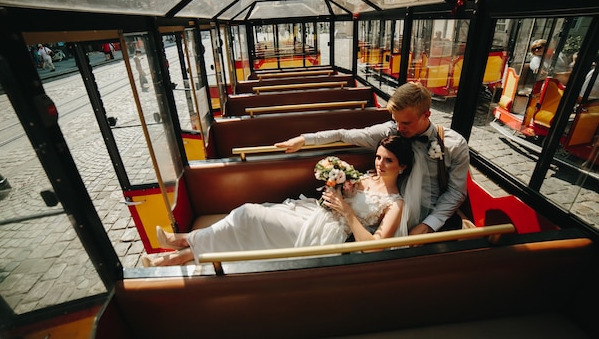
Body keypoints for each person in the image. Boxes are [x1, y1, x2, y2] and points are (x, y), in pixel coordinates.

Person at [141, 136, 414, 267]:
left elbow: (376, 248)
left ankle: (181, 243)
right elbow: (340, 194)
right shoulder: (365, 175)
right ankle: (180, 250)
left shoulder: (396, 204)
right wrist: (336, 186)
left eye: (388, 160)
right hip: (314, 214)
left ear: (402, 167)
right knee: (248, 215)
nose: (379, 164)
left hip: (330, 235)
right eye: (378, 157)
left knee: (248, 215)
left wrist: (346, 211)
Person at [276, 82, 469, 235]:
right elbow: (344, 134)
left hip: (431, 216)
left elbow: (455, 192)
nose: (399, 128)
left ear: (427, 114)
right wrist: (304, 139)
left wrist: (428, 225)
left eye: (406, 123)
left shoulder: (453, 144)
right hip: (389, 215)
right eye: (396, 120)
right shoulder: (390, 131)